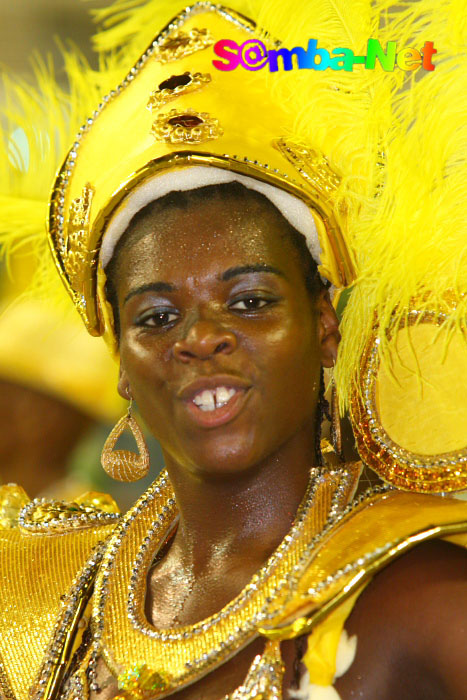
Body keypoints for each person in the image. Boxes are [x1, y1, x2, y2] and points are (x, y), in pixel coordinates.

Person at [0, 1, 466, 699]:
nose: (199, 338)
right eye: (156, 316)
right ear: (122, 364)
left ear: (323, 327)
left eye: (249, 302)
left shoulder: (419, 598)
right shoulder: (42, 604)